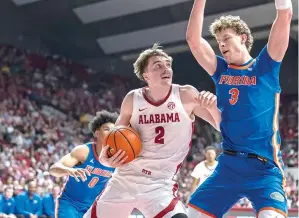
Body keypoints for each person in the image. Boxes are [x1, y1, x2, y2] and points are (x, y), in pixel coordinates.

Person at [84, 43, 221, 218]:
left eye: (168, 65)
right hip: (125, 179)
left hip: (158, 184)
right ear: (145, 75)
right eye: (158, 66)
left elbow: (222, 126)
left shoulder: (186, 95)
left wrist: (214, 108)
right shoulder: (133, 99)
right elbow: (113, 140)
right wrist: (105, 158)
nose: (166, 69)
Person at [186, 0, 293, 217]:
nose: (221, 45)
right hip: (229, 165)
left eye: (226, 38)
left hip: (265, 168)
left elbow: (285, 15)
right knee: (193, 213)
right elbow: (193, 40)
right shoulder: (220, 70)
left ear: (243, 38)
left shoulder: (265, 66)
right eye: (218, 41)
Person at [49, 110, 126, 218]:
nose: (111, 132)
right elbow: (53, 169)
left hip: (93, 207)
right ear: (97, 133)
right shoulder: (84, 151)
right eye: (106, 129)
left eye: (113, 130)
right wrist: (69, 170)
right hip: (70, 204)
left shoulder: (116, 159)